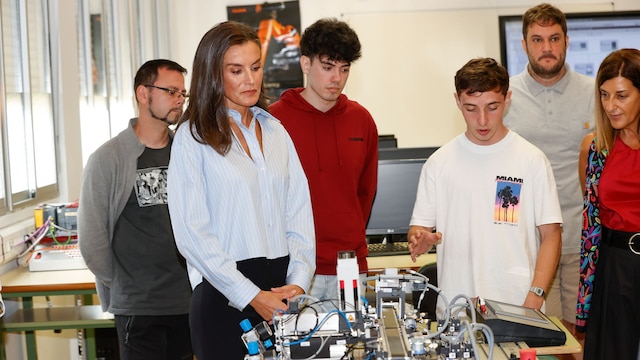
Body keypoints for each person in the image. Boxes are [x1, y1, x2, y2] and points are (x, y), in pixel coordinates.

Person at [166, 21, 315, 359]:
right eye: (236, 70)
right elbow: (192, 233)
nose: (250, 79)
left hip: (282, 293)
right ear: (214, 74)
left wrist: (300, 280)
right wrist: (251, 295)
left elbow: (299, 212)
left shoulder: (276, 131)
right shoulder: (193, 137)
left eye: (256, 67)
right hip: (224, 295)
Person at [408, 57, 562, 311]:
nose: (482, 120)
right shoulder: (439, 163)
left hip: (519, 304)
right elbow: (419, 228)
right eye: (471, 108)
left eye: (492, 107)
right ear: (457, 101)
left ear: (508, 99)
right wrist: (420, 239)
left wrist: (536, 294)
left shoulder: (531, 160)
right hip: (456, 308)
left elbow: (551, 235)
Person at [78, 59, 192, 360]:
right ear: (144, 94)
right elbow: (92, 239)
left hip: (188, 301)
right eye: (171, 91)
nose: (180, 99)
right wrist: (124, 285)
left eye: (183, 93)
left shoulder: (188, 150)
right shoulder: (108, 159)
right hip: (139, 308)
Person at [269, 18, 378, 304]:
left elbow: (366, 192)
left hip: (351, 266)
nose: (337, 78)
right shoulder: (274, 121)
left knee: (356, 346)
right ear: (306, 64)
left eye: (344, 69)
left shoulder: (361, 120)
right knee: (300, 348)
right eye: (328, 67)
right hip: (297, 270)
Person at [503, 3, 595, 326]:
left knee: (581, 339)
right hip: (526, 244)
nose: (547, 48)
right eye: (538, 40)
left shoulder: (594, 93)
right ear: (524, 44)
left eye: (554, 39)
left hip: (581, 242)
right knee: (541, 339)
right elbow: (501, 173)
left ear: (567, 41)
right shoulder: (504, 96)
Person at [577, 48, 640, 359]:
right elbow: (591, 224)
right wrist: (584, 302)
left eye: (622, 95)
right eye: (604, 95)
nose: (611, 106)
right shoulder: (595, 148)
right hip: (614, 268)